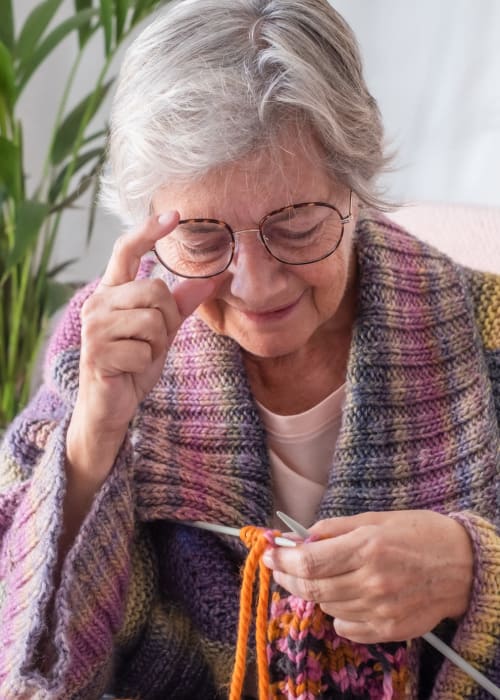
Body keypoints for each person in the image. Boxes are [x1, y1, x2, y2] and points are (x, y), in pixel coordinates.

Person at [0, 0, 498, 698]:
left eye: (296, 225)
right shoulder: (103, 344)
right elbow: (29, 661)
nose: (255, 284)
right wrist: (96, 437)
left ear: (356, 189)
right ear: (148, 224)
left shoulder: (486, 330)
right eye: (203, 236)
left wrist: (476, 573)